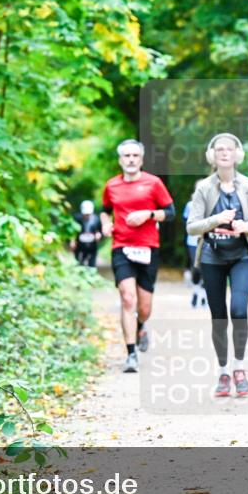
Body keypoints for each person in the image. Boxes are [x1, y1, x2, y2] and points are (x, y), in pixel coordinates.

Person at [185, 133, 248, 397]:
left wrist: (247, 226)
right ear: (212, 155)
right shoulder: (204, 189)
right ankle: (223, 371)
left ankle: (239, 368)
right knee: (219, 317)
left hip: (241, 256)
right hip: (212, 257)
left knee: (239, 311)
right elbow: (192, 226)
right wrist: (216, 219)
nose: (224, 153)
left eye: (229, 149)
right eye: (219, 149)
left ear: (236, 154)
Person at [100, 139, 175, 373]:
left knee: (144, 307)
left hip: (148, 248)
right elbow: (104, 211)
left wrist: (149, 214)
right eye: (127, 156)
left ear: (141, 159)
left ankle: (141, 325)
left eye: (135, 156)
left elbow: (170, 213)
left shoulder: (153, 183)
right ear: (120, 160)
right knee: (127, 299)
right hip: (121, 247)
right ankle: (131, 354)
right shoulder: (111, 186)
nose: (131, 159)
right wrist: (105, 225)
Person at [182, 200, 208, 309]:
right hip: (193, 241)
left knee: (207, 269)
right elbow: (186, 221)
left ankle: (203, 297)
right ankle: (195, 292)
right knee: (196, 268)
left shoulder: (212, 202)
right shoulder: (190, 205)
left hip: (208, 241)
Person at [71, 200, 102, 267]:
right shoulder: (77, 218)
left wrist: (99, 235)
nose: (87, 215)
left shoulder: (96, 219)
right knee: (79, 263)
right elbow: (72, 231)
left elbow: (100, 231)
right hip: (79, 245)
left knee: (92, 264)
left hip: (92, 245)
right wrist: (72, 240)